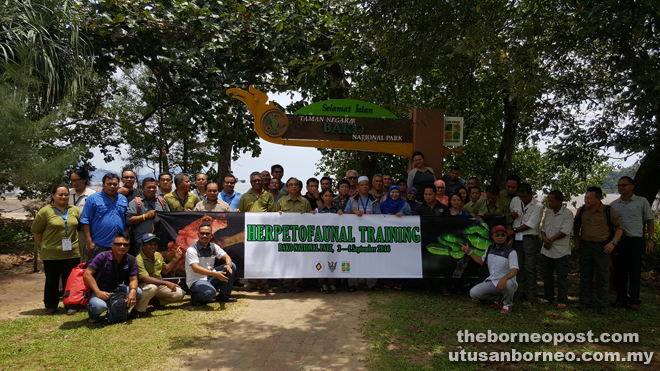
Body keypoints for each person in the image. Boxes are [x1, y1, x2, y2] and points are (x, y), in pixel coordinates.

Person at [32, 184, 82, 315]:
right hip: (51, 254)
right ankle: (51, 305)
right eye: (60, 194)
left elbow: (78, 227)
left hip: (72, 253)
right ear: (53, 195)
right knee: (51, 281)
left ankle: (70, 304)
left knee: (70, 281)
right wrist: (46, 245)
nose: (64, 197)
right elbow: (36, 232)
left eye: (66, 194)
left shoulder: (74, 210)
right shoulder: (45, 211)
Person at [573, 187, 624, 315]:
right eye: (585, 197)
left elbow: (619, 228)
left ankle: (603, 304)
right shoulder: (582, 210)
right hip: (586, 247)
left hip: (602, 248)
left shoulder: (607, 211)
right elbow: (576, 226)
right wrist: (576, 240)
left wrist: (613, 243)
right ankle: (585, 301)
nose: (586, 200)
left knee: (603, 276)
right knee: (585, 275)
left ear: (598, 199)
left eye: (589, 198)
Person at [610, 176, 655, 310]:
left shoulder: (642, 202)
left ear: (632, 187)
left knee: (634, 272)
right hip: (619, 241)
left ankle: (634, 300)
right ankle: (621, 299)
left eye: (624, 185)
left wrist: (650, 239)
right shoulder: (614, 204)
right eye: (619, 186)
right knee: (620, 272)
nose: (621, 188)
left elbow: (649, 220)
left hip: (635, 241)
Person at [84, 233, 141, 322]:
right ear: (112, 246)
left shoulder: (131, 260)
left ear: (128, 247)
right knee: (98, 307)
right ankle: (93, 315)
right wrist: (98, 292)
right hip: (100, 290)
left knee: (138, 292)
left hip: (118, 291)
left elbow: (133, 279)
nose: (122, 247)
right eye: (118, 244)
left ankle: (117, 310)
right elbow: (87, 274)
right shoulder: (103, 256)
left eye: (125, 245)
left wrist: (133, 291)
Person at [462, 225, 519, 314]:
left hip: (508, 282)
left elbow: (514, 271)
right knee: (474, 293)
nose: (499, 237)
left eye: (502, 235)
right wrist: (469, 252)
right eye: (497, 235)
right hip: (493, 281)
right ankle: (498, 299)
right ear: (493, 237)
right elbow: (482, 261)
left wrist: (504, 279)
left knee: (508, 284)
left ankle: (507, 304)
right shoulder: (490, 249)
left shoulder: (511, 252)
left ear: (506, 236)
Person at [275, 177, 312, 293]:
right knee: (286, 260)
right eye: (290, 184)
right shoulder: (281, 201)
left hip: (300, 236)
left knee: (299, 259)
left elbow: (312, 218)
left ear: (299, 187)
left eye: (296, 184)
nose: (293, 186)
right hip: (285, 235)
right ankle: (286, 284)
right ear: (287, 187)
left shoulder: (305, 202)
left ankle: (297, 284)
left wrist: (308, 214)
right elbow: (273, 218)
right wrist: (278, 214)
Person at [509, 182, 544, 301]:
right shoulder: (515, 200)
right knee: (519, 265)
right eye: (520, 196)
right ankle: (520, 290)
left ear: (531, 194)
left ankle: (531, 292)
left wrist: (513, 230)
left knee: (530, 266)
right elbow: (512, 214)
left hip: (529, 237)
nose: (522, 199)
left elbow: (531, 224)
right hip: (517, 237)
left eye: (524, 196)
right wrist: (513, 216)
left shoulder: (538, 206)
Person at [133, 233, 185, 315]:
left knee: (180, 294)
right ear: (143, 246)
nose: (153, 246)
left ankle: (156, 302)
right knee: (152, 288)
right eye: (149, 244)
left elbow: (165, 271)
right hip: (144, 286)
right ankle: (137, 310)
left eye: (155, 244)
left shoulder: (157, 255)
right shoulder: (138, 259)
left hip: (158, 285)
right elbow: (145, 279)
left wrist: (175, 259)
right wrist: (166, 283)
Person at [80, 173, 129, 260]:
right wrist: (89, 241)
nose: (112, 186)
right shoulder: (92, 199)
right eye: (109, 184)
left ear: (119, 185)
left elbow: (125, 221)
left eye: (115, 184)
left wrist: (126, 238)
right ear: (103, 185)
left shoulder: (123, 199)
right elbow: (85, 220)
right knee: (97, 271)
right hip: (99, 244)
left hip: (119, 244)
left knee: (117, 271)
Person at [343, 176, 379, 292]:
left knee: (370, 258)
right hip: (354, 234)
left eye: (366, 185)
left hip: (370, 234)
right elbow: (344, 213)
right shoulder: (352, 200)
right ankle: (353, 284)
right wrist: (353, 211)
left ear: (369, 186)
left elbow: (379, 217)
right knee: (353, 257)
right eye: (362, 185)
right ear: (358, 187)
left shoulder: (374, 200)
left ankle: (372, 284)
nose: (364, 187)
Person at [241, 172, 275, 292]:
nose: (257, 182)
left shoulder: (268, 195)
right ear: (251, 182)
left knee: (265, 257)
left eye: (259, 180)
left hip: (265, 231)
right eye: (254, 181)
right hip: (250, 232)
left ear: (262, 181)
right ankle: (252, 282)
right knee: (251, 257)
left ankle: (264, 282)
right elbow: (241, 214)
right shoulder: (245, 196)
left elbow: (272, 213)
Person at [186, 225, 237, 305]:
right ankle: (196, 297)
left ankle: (223, 295)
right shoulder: (192, 249)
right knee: (210, 293)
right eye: (202, 233)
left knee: (232, 266)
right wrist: (215, 274)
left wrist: (228, 265)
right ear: (198, 234)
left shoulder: (213, 246)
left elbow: (227, 257)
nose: (204, 236)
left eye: (207, 233)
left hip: (211, 277)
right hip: (197, 280)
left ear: (211, 235)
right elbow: (195, 268)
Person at [539, 190, 574, 309]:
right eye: (548, 201)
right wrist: (544, 239)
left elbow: (565, 231)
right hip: (547, 250)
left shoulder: (567, 214)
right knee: (547, 275)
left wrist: (550, 240)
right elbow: (543, 228)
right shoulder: (548, 212)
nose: (549, 203)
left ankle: (562, 299)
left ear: (560, 201)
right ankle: (548, 297)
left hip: (560, 251)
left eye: (552, 201)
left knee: (561, 276)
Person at [126, 177, 170, 255]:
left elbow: (169, 218)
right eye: (148, 187)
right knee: (141, 265)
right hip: (142, 243)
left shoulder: (162, 201)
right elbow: (129, 220)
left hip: (159, 242)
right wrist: (145, 216)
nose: (151, 190)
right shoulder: (136, 202)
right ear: (142, 188)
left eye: (154, 187)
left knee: (159, 265)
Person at [316, 189, 342, 294]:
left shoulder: (337, 210)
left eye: (330, 196)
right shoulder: (318, 210)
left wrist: (342, 215)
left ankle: (332, 283)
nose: (328, 198)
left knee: (333, 262)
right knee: (322, 261)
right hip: (322, 240)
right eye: (326, 196)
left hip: (334, 241)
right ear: (322, 197)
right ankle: (322, 284)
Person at [69, 169, 95, 261]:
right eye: (72, 181)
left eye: (77, 180)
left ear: (84, 180)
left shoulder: (92, 195)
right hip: (69, 232)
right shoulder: (67, 194)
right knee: (69, 257)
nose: (74, 183)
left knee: (85, 257)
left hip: (84, 232)